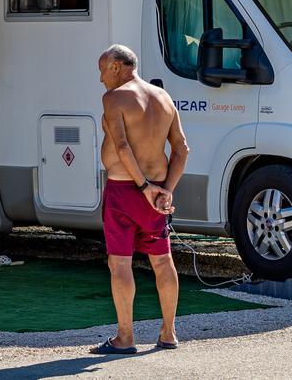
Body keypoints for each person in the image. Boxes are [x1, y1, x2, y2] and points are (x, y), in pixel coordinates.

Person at [91, 44, 190, 355]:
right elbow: (182, 149)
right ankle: (169, 332)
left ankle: (125, 337)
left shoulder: (114, 97)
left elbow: (122, 147)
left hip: (124, 190)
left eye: (102, 70)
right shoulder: (163, 97)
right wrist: (165, 189)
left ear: (118, 67)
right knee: (162, 261)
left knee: (119, 262)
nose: (101, 78)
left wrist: (143, 186)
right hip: (158, 189)